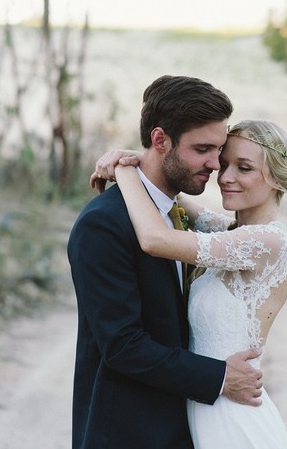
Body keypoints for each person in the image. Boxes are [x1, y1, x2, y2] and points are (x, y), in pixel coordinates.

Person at [67, 76, 263, 449]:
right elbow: (123, 345)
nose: (215, 164)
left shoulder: (175, 214)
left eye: (218, 149)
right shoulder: (103, 224)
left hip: (185, 428)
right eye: (202, 149)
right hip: (127, 434)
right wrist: (221, 377)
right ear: (160, 140)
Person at [94, 119, 287, 449]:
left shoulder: (268, 242)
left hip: (233, 414)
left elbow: (155, 238)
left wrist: (124, 170)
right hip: (204, 405)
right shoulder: (231, 233)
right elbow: (173, 198)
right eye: (224, 163)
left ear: (276, 176)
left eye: (244, 167)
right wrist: (138, 159)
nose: (226, 177)